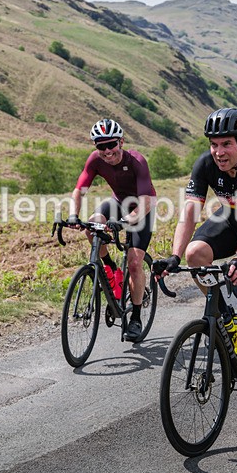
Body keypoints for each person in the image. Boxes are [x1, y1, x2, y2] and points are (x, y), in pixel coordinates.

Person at [156, 107, 237, 412]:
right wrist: (175, 256)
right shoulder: (205, 165)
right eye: (213, 144)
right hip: (232, 218)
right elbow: (189, 214)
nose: (218, 152)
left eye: (226, 144)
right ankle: (225, 316)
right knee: (195, 253)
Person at [68, 118, 156, 341]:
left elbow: (146, 201)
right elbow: (79, 189)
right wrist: (72, 215)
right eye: (101, 146)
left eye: (111, 144)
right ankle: (110, 267)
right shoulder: (96, 160)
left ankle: (135, 318)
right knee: (92, 226)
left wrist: (126, 221)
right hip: (117, 202)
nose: (107, 151)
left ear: (121, 142)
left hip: (142, 208)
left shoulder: (137, 160)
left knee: (135, 263)